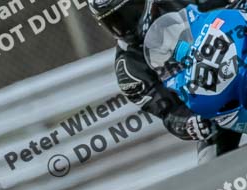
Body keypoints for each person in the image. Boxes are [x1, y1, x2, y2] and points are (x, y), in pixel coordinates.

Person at [90, 0, 243, 162]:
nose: (125, 25)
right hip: (215, 109)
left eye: (130, 12)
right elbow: (169, 112)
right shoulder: (129, 71)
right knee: (209, 164)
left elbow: (225, 6)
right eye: (114, 22)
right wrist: (190, 123)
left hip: (238, 60)